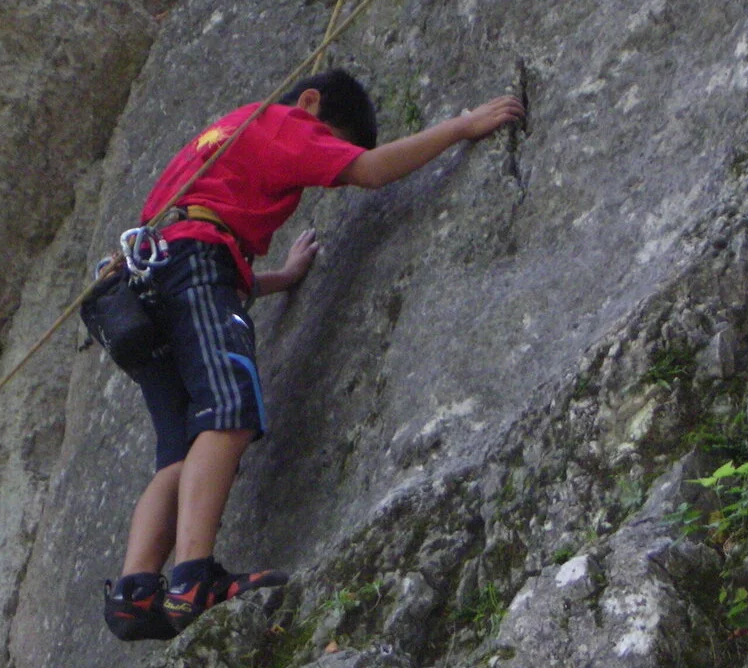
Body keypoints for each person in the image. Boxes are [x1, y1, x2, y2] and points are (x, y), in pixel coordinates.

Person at [103, 68, 525, 641]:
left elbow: (193, 260)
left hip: (140, 287)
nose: (328, 159)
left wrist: (280, 277)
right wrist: (461, 125)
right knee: (228, 411)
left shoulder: (219, 139)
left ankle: (135, 594)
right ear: (309, 102)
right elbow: (370, 172)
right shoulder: (281, 120)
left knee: (177, 451)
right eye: (333, 141)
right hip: (194, 265)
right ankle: (193, 578)